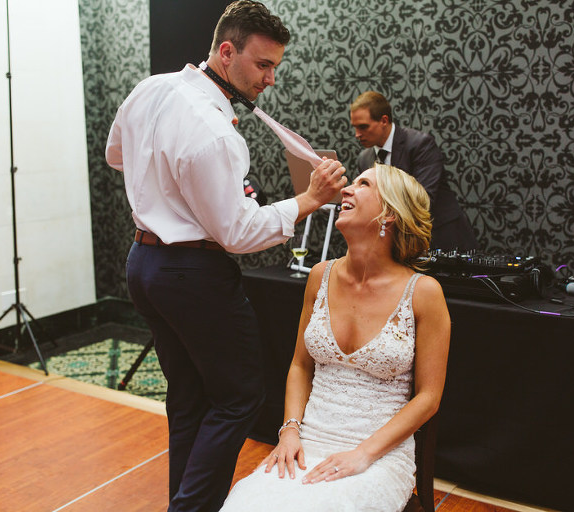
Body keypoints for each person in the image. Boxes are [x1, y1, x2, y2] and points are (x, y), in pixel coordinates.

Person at [105, 2, 346, 511]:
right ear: (227, 51)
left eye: (276, 66)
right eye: (263, 65)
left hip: (142, 265)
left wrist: (173, 191)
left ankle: (182, 503)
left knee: (188, 395)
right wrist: (309, 199)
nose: (271, 79)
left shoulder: (151, 88)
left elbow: (116, 156)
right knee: (239, 397)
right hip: (191, 273)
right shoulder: (215, 131)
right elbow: (237, 232)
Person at [220, 164, 451, 512]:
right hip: (306, 443)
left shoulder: (424, 293)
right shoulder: (320, 276)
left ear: (389, 213)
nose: (346, 189)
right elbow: (300, 366)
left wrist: (363, 455)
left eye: (363, 184)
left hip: (379, 455)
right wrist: (289, 432)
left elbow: (429, 398)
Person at [351, 91, 478, 252]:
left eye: (363, 127)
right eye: (354, 127)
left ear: (384, 120)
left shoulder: (420, 144)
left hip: (442, 237)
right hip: (399, 244)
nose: (357, 134)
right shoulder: (364, 158)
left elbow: (423, 200)